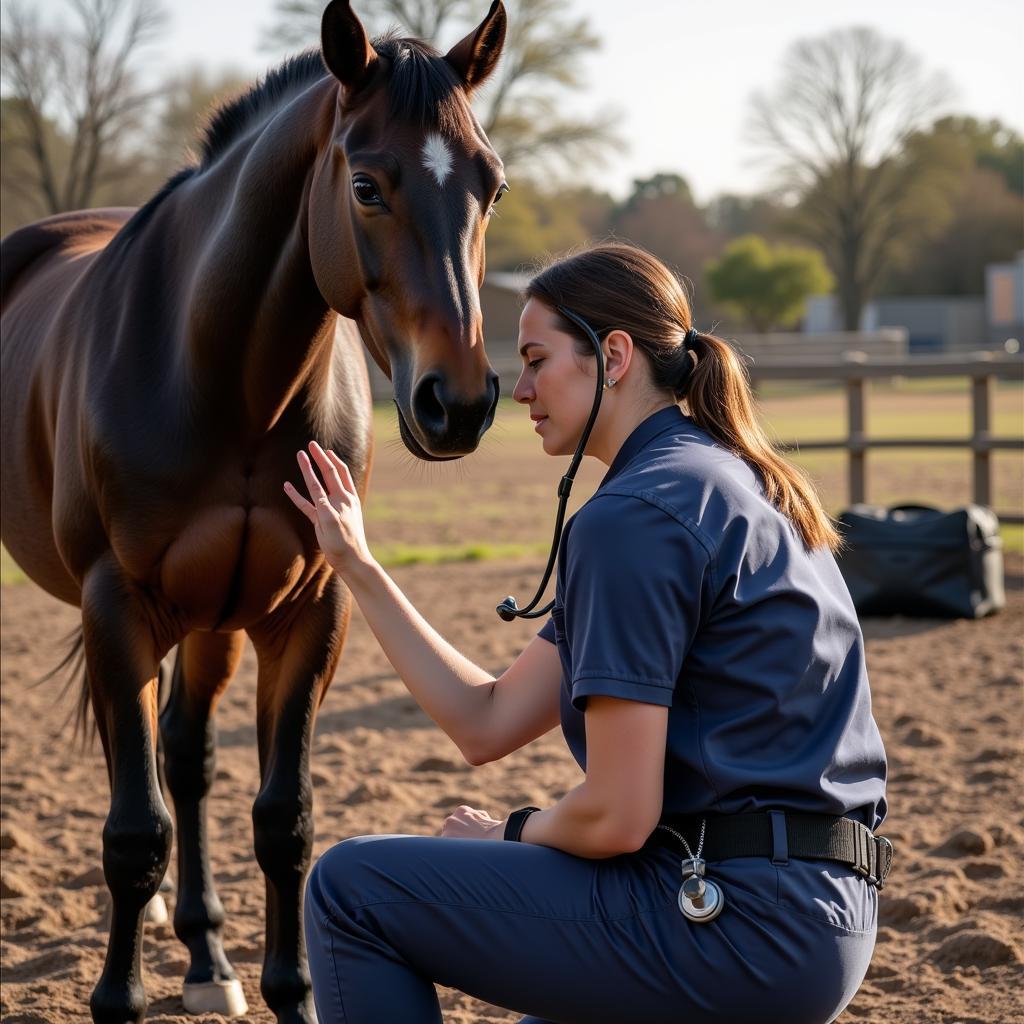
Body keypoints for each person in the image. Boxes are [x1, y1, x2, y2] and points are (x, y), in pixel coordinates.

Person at [284, 242, 889, 1024]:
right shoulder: (728, 479)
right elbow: (487, 719)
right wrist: (358, 566)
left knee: (351, 888)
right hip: (812, 920)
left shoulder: (635, 517)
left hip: (734, 922)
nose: (521, 389)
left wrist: (505, 832)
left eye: (536, 360)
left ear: (613, 355)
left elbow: (616, 815)